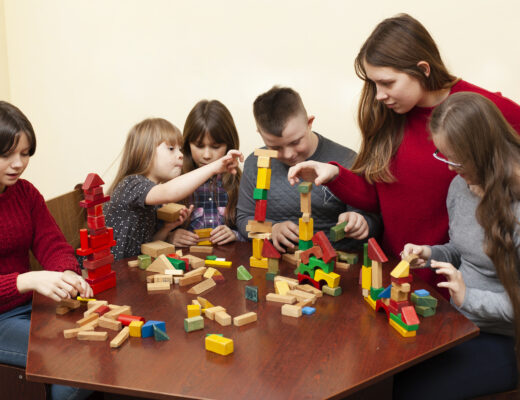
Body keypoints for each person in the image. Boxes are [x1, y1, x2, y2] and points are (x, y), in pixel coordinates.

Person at [287, 13, 520, 296]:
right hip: (397, 273)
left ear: (422, 69)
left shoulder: (484, 109)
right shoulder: (387, 115)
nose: (378, 95)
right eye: (373, 84)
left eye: (387, 83)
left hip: (460, 290)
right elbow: (381, 196)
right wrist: (335, 174)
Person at [394, 92, 520, 399]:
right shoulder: (460, 185)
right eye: (443, 154)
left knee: (410, 391)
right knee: (390, 373)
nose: (450, 167)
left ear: (483, 150)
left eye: (457, 158)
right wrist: (430, 253)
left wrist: (468, 297)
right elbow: (464, 250)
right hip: (460, 323)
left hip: (504, 338)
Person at [0, 101, 93, 400]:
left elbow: (53, 244)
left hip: (31, 307)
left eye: (25, 153)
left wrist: (67, 271)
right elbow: (27, 280)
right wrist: (24, 280)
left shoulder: (25, 193)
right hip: (5, 316)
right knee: (72, 361)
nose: (18, 163)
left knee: (94, 346)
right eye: (7, 154)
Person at [236, 86, 381, 252]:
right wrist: (271, 229)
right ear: (260, 134)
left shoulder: (348, 159)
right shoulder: (255, 163)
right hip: (280, 265)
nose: (289, 154)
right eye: (275, 147)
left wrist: (361, 222)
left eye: (295, 142)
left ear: (309, 123)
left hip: (336, 265)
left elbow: (374, 219)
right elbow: (244, 218)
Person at [105, 118, 243, 260]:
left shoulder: (152, 196)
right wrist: (214, 167)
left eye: (180, 149)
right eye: (171, 149)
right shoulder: (131, 184)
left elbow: (148, 245)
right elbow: (170, 192)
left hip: (128, 271)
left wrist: (166, 229)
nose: (181, 155)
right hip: (111, 270)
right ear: (146, 152)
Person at [170, 100, 244, 247]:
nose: (207, 155)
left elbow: (255, 230)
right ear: (187, 144)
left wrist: (235, 235)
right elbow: (154, 233)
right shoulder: (175, 181)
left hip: (229, 261)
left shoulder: (240, 182)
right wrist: (170, 237)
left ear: (229, 145)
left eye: (216, 146)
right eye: (199, 145)